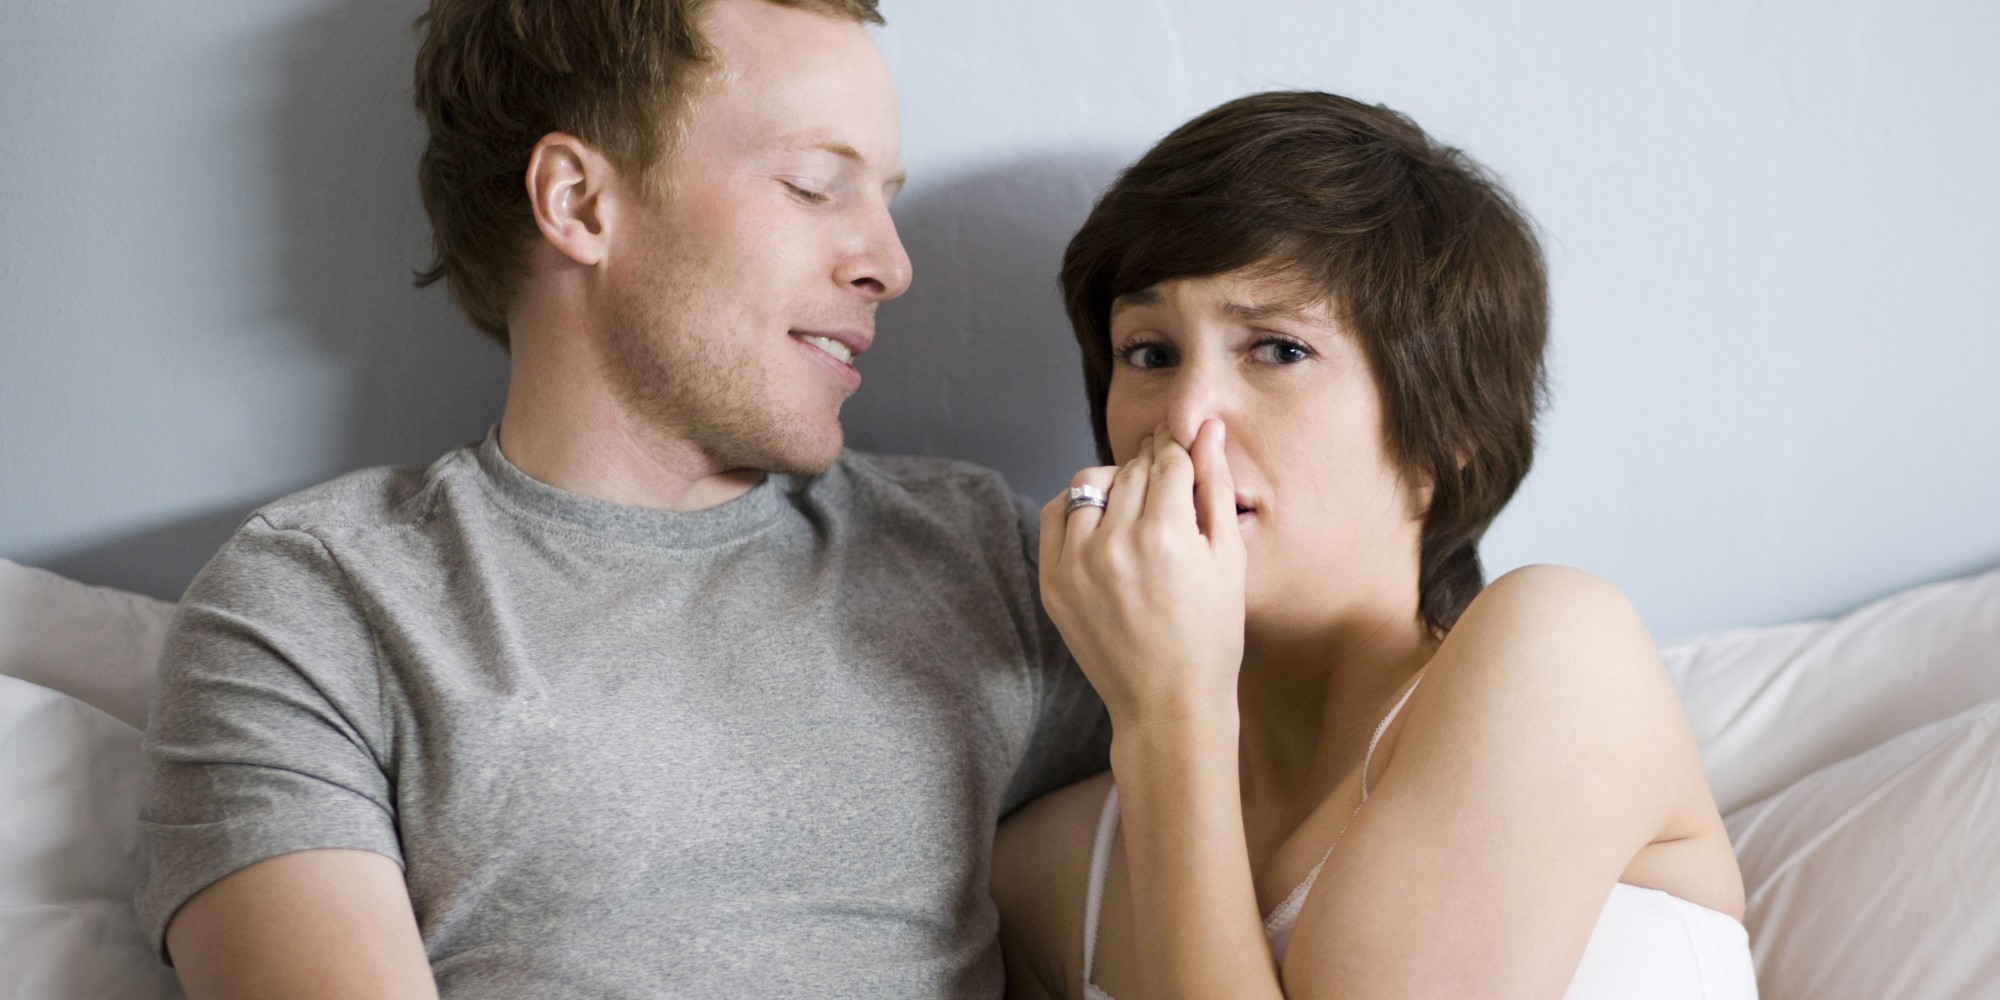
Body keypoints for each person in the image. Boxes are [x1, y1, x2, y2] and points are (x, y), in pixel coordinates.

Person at [134, 1, 1107, 997]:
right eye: (814, 186)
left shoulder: (984, 558)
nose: (890, 266)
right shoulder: (321, 609)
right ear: (579, 203)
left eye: (883, 199)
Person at [990, 92, 1759, 999]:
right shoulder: (1050, 874)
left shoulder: (1560, 654)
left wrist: (1167, 718)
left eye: (1278, 349)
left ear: (1447, 434)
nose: (1185, 420)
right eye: (1150, 353)